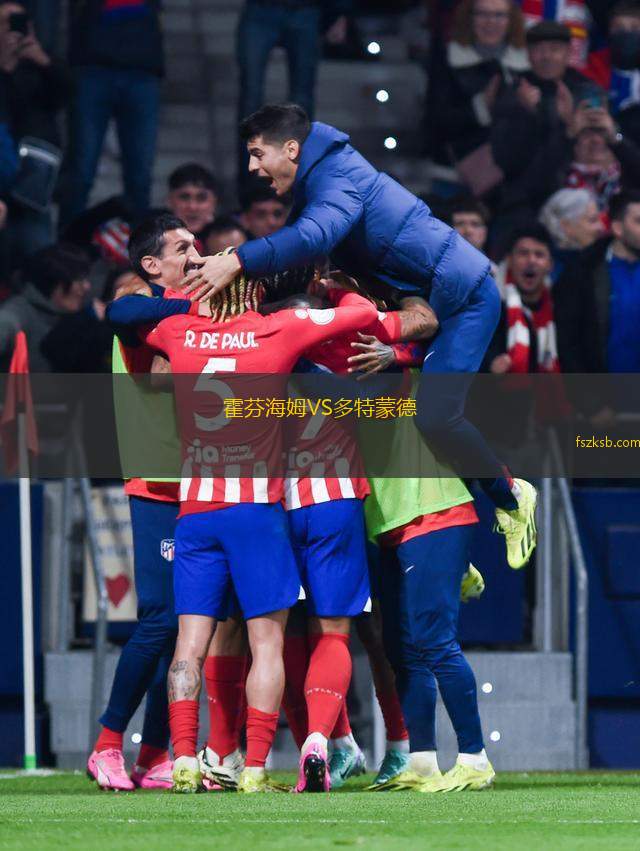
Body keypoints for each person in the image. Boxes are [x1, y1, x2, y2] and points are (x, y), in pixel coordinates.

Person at [182, 103, 538, 571]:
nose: (251, 167)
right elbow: (294, 258)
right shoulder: (317, 182)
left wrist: (238, 260)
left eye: (257, 154)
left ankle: (512, 496)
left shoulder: (336, 178)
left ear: (291, 149)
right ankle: (445, 553)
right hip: (421, 300)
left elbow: (312, 237)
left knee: (435, 416)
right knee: (387, 414)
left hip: (464, 300)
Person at [126, 213, 379, 793]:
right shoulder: (277, 330)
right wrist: (335, 290)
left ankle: (187, 757)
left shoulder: (178, 332)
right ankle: (258, 766)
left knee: (190, 642)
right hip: (257, 511)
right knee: (270, 642)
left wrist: (181, 298)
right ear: (255, 291)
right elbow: (364, 315)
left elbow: (127, 316)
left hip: (195, 512)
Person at [61, 0, 164, 226]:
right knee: (81, 172)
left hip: (143, 69)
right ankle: (67, 244)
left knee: (140, 176)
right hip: (93, 66)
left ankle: (140, 246)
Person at [425, 0, 528, 172]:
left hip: (515, 174)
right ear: (469, 18)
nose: (491, 22)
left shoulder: (526, 64)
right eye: (482, 14)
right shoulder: (447, 60)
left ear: (511, 20)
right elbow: (435, 121)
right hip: (454, 172)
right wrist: (481, 106)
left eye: (499, 15)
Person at [554, 189, 640, 380]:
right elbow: (569, 342)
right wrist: (589, 397)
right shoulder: (583, 272)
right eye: (638, 221)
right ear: (617, 228)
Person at [0, 243, 90, 371]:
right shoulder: (12, 318)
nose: (87, 286)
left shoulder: (77, 318)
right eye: (79, 279)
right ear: (55, 281)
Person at [585, 1, 640, 142]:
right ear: (609, 31)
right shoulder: (592, 66)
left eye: (634, 27)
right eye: (619, 27)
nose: (626, 33)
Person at [539, 187, 604, 278]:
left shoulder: (598, 260)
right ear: (566, 226)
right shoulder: (551, 272)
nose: (601, 227)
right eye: (593, 220)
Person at [166, 163, 219, 247]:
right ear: (169, 201)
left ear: (214, 203)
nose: (192, 207)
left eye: (201, 198)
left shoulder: (230, 238)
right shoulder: (154, 241)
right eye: (184, 197)